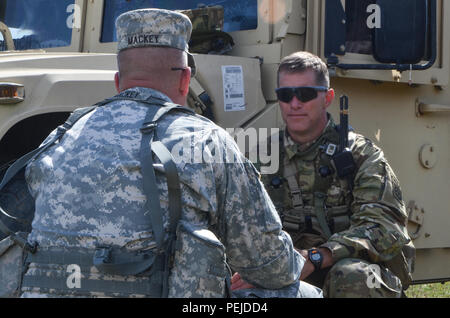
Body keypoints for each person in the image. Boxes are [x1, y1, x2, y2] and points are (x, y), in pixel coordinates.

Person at [19, 9, 321, 298]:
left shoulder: (60, 135)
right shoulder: (207, 140)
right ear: (185, 80)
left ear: (117, 83)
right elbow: (272, 267)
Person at [257, 51, 415, 297]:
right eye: (285, 95)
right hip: (288, 269)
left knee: (351, 276)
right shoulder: (262, 157)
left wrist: (319, 256)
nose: (295, 103)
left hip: (353, 270)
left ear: (327, 98)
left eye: (306, 94)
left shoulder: (360, 155)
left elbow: (383, 227)